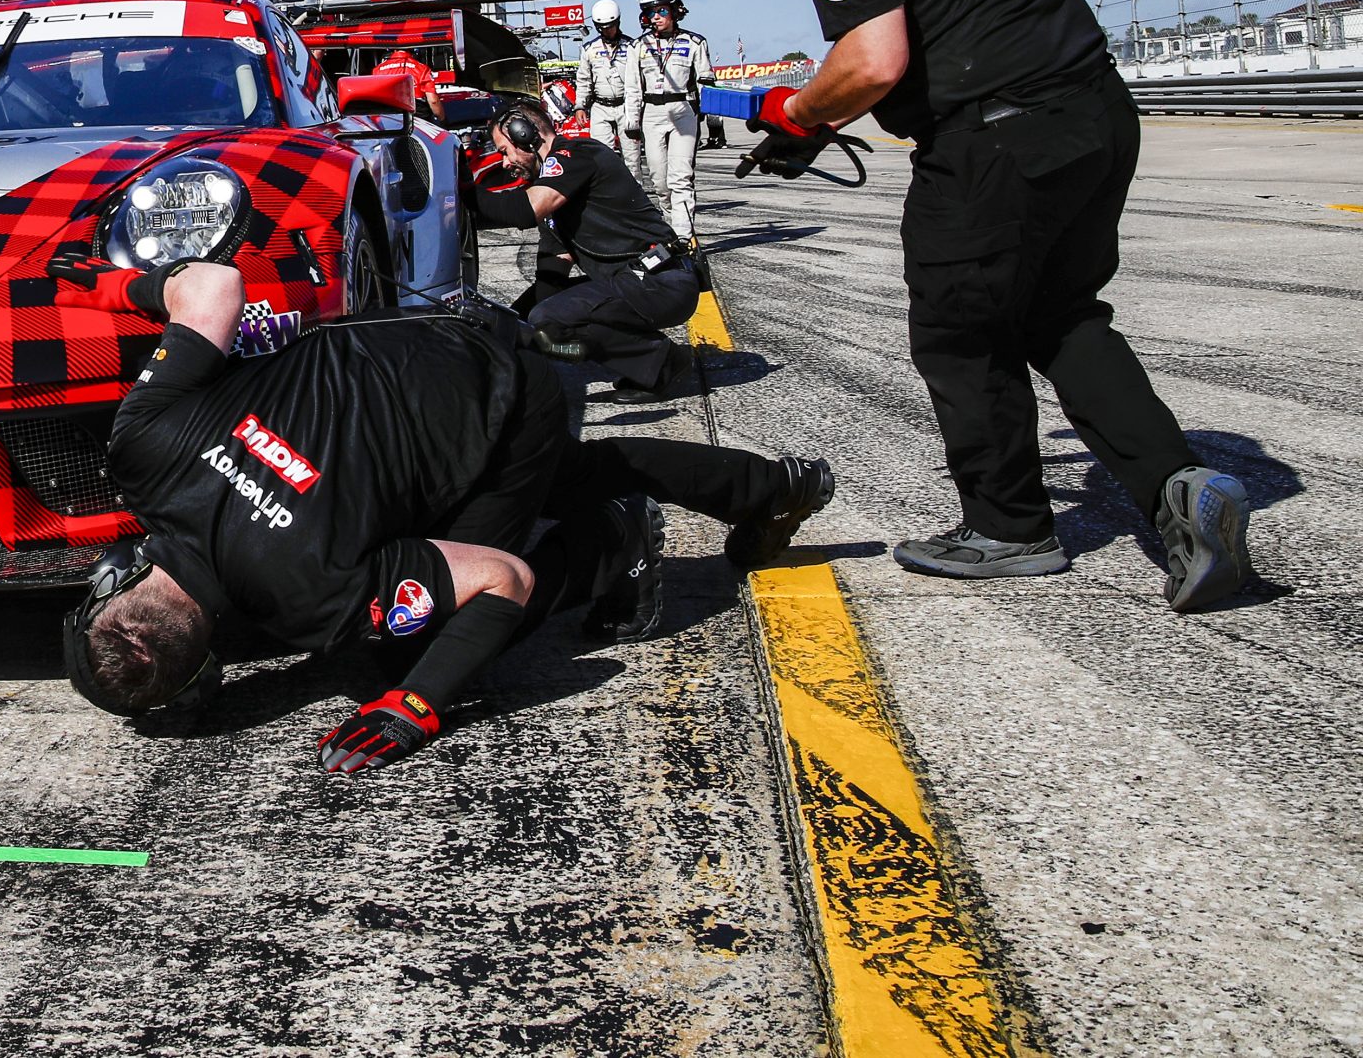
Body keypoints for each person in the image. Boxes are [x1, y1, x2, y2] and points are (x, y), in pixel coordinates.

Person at [697, 0, 1250, 610]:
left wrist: (797, 119)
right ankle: (1182, 490)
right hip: (1094, 108)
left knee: (960, 332)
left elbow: (873, 57)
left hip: (995, 134)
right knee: (1061, 314)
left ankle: (1008, 527)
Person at [53, 256, 835, 770]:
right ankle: (777, 487)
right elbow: (214, 286)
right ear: (112, 584)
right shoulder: (142, 450)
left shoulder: (310, 602)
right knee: (575, 472)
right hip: (419, 334)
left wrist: (417, 706)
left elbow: (504, 579)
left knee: (415, 649)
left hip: (498, 399)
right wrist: (114, 285)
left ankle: (608, 545)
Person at [473, 94, 699, 399]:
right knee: (533, 321)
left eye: (504, 150)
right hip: (633, 281)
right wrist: (523, 333)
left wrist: (458, 198)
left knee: (547, 319)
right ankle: (647, 356)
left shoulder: (577, 155)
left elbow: (526, 210)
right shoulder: (551, 186)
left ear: (522, 134)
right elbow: (556, 259)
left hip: (661, 281)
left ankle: (662, 362)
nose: (505, 163)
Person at [628, 0, 716, 242]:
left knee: (681, 178)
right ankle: (671, 222)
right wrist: (632, 122)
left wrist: (711, 119)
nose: (656, 17)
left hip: (683, 111)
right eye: (651, 12)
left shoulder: (695, 42)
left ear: (675, 11)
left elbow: (706, 82)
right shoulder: (637, 47)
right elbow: (633, 86)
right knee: (660, 182)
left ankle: (683, 237)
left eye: (661, 10)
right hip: (651, 113)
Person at [571, 0, 642, 178]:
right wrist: (580, 105)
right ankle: (609, 197)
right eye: (601, 27)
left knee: (632, 157)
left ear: (618, 23)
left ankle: (635, 197)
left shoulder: (633, 47)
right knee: (601, 156)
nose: (606, 31)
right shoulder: (589, 49)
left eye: (609, 26)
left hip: (626, 106)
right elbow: (584, 79)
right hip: (600, 107)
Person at [372, 47, 442, 118]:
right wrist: (441, 119)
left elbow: (373, 99)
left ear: (394, 50)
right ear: (412, 49)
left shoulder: (377, 70)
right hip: (417, 115)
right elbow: (433, 101)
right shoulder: (422, 69)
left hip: (388, 116)